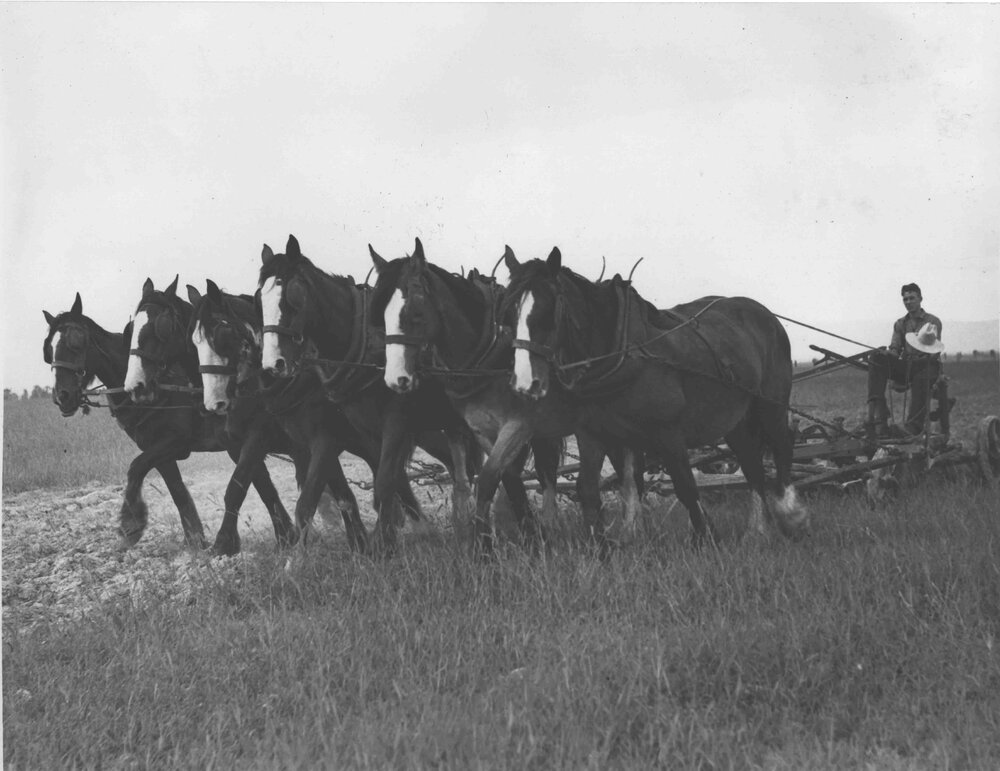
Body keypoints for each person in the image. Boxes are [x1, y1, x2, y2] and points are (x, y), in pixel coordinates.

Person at [866, 283, 944, 437]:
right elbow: (895, 349)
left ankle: (913, 427)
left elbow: (934, 352)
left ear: (920, 298)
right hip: (907, 365)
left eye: (911, 298)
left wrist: (919, 361)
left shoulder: (933, 321)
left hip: (928, 364)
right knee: (876, 359)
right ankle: (880, 418)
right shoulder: (900, 324)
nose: (908, 302)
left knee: (923, 375)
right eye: (905, 299)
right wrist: (888, 353)